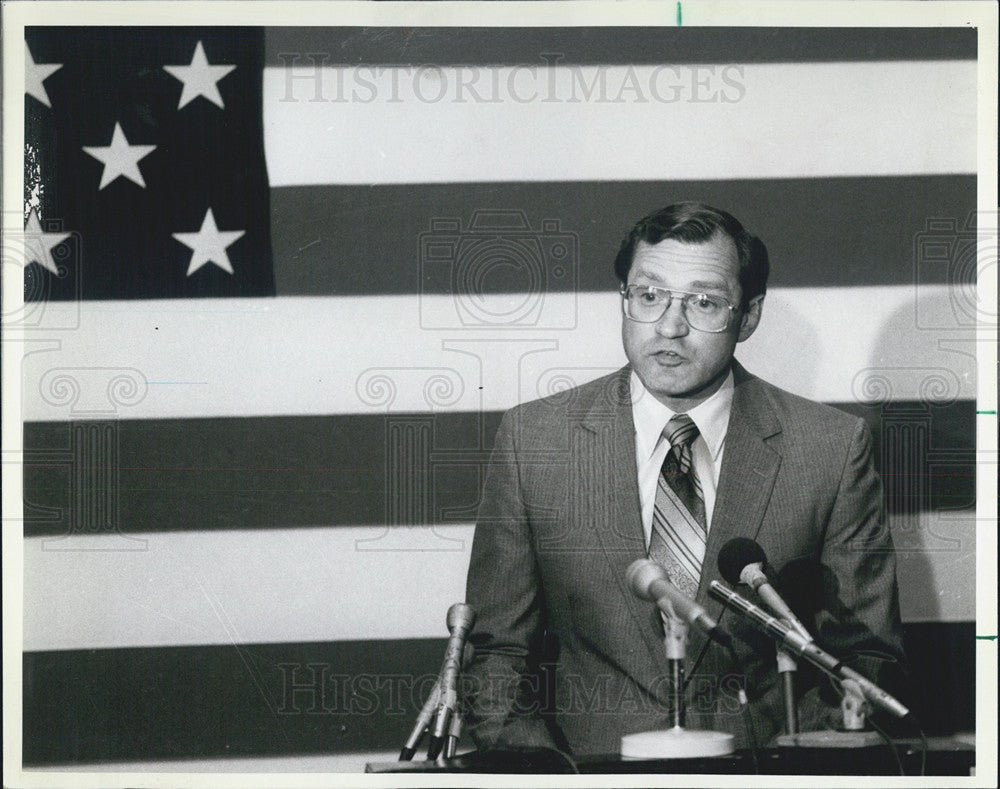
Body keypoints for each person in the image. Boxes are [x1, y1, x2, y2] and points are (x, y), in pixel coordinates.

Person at [462, 202, 906, 757]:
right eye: (648, 296)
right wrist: (546, 776)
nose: (670, 327)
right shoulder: (535, 440)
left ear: (748, 316)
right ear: (624, 300)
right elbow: (496, 653)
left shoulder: (831, 448)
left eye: (704, 302)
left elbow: (864, 653)